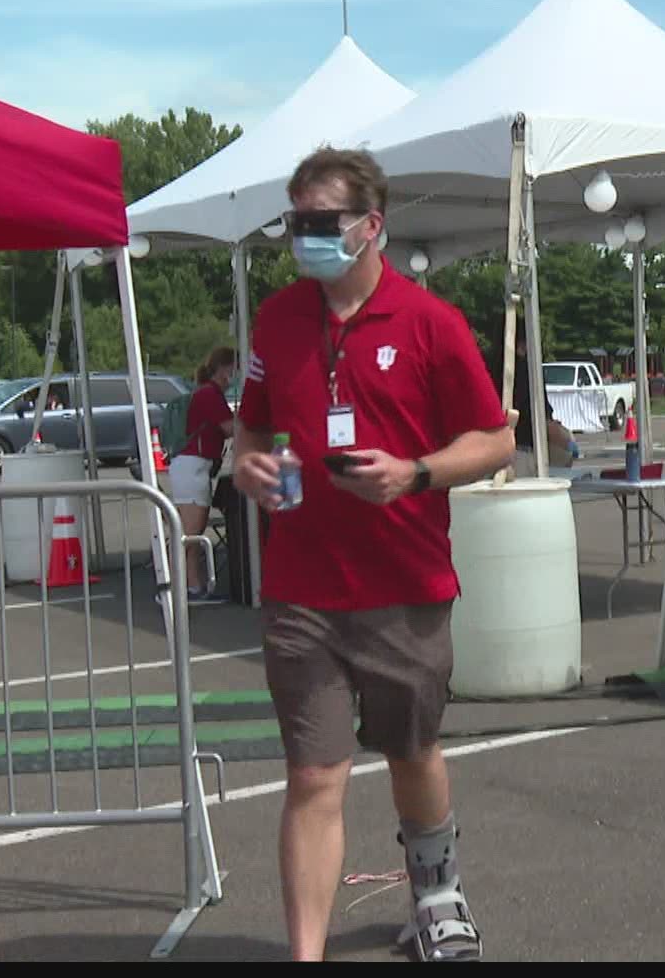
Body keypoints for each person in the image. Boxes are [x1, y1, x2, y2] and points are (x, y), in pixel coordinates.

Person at [232, 147, 514, 961]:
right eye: (296, 224)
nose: (306, 238)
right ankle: (306, 953)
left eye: (323, 223)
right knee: (314, 776)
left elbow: (497, 441)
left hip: (403, 585)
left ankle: (437, 895)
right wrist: (249, 460)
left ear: (371, 227)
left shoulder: (431, 322)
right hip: (302, 589)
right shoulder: (279, 319)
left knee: (412, 752)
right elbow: (252, 423)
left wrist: (416, 473)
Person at [172, 347, 237, 603]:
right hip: (193, 466)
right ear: (224, 368)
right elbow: (231, 428)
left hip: (196, 467)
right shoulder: (210, 395)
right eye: (234, 367)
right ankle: (178, 587)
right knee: (190, 534)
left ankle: (193, 585)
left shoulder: (210, 394)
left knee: (193, 534)